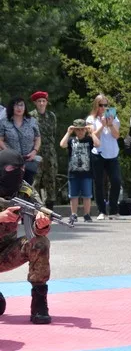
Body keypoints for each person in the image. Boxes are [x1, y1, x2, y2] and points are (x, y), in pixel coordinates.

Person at [0, 149, 52, 324]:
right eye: (10, 169)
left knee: (40, 242)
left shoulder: (25, 190)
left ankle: (39, 303)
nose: (17, 174)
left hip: (6, 253)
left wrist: (41, 224)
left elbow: (40, 217)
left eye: (21, 169)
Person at [86, 94, 122, 220]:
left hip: (112, 154)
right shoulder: (91, 119)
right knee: (99, 183)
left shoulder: (114, 119)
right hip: (99, 154)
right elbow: (94, 136)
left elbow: (117, 136)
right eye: (100, 105)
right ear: (96, 106)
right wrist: (102, 125)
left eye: (105, 105)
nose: (103, 108)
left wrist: (110, 124)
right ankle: (102, 210)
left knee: (116, 181)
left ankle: (113, 209)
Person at [59, 119, 100, 223]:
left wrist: (91, 132)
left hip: (86, 172)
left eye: (82, 130)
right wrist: (68, 132)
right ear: (75, 130)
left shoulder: (89, 140)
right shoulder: (71, 140)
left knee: (87, 195)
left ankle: (87, 214)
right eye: (78, 130)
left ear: (85, 130)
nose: (80, 132)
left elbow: (98, 144)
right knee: (73, 196)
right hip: (73, 172)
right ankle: (74, 214)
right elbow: (62, 145)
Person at [0, 97, 41, 185]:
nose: (19, 108)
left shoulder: (32, 121)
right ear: (11, 107)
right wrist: (9, 153)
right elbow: (0, 140)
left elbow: (38, 138)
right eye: (16, 105)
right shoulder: (4, 122)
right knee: (12, 188)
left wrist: (34, 151)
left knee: (27, 189)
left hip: (29, 160)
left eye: (21, 105)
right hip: (11, 162)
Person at [30, 91, 58, 210]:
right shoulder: (30, 116)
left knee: (50, 180)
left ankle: (50, 210)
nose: (41, 103)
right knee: (35, 181)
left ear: (47, 102)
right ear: (35, 103)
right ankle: (34, 208)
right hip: (36, 152)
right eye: (39, 101)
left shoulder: (51, 116)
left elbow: (53, 134)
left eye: (44, 101)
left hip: (50, 153)